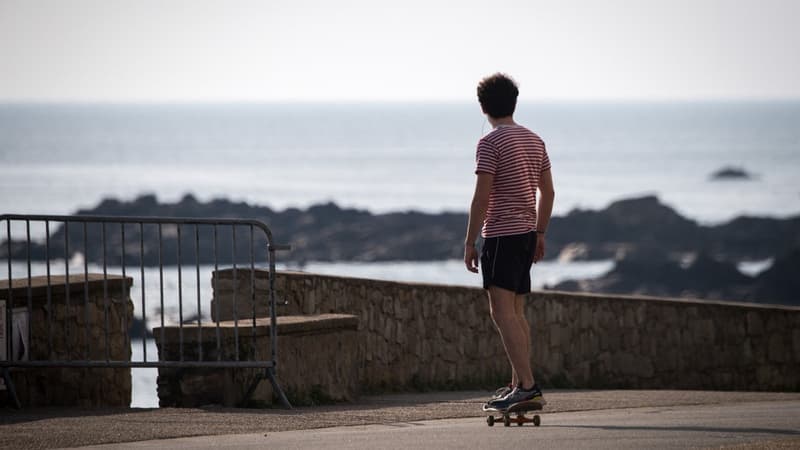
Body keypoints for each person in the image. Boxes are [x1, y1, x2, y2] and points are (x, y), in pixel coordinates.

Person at [463, 73, 555, 410]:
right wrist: (540, 232)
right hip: (526, 235)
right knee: (516, 311)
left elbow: (481, 198)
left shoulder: (489, 143)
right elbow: (548, 192)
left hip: (501, 235)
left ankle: (528, 386)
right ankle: (518, 383)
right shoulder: (534, 139)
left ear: (483, 107)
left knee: (502, 313)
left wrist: (470, 241)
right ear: (513, 102)